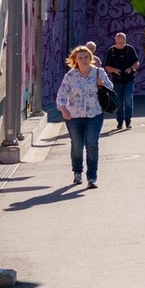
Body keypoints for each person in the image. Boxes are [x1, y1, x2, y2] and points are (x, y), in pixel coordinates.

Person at [58, 45, 113, 189]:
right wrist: (63, 109)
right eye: (80, 57)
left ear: (91, 58)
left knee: (92, 144)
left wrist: (102, 84)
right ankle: (77, 172)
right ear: (75, 59)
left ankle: (92, 177)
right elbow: (61, 96)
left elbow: (111, 87)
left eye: (86, 57)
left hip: (95, 114)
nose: (83, 60)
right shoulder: (70, 76)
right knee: (77, 146)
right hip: (74, 116)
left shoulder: (98, 72)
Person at [103, 31, 140, 130]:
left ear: (125, 40)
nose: (121, 44)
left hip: (129, 79)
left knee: (128, 98)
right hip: (117, 80)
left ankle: (128, 121)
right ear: (115, 40)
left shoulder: (129, 49)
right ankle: (120, 121)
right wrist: (115, 70)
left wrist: (131, 68)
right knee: (119, 101)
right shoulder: (111, 51)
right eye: (119, 42)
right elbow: (107, 66)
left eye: (122, 42)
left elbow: (137, 62)